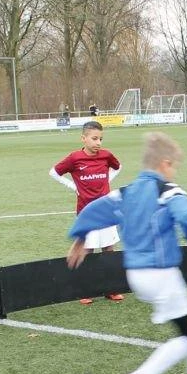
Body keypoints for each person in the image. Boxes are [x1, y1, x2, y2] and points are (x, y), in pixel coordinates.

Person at [66, 132, 187, 374]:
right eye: (174, 166)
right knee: (185, 336)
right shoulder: (168, 191)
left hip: (136, 274)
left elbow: (94, 209)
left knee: (186, 320)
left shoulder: (126, 192)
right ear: (165, 163)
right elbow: (185, 217)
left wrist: (81, 236)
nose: (174, 171)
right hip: (161, 273)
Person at [49, 120, 125, 304]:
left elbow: (118, 167)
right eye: (94, 138)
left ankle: (111, 288)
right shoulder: (75, 158)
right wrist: (73, 186)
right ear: (83, 138)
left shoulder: (106, 155)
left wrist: (106, 181)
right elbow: (54, 172)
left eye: (100, 139)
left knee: (108, 248)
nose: (98, 142)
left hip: (106, 210)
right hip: (86, 211)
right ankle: (86, 290)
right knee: (87, 249)